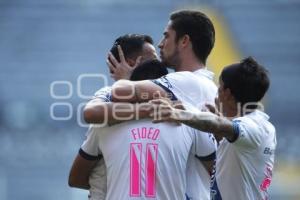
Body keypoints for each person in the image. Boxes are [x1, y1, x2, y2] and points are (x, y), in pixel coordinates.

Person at [84, 10, 217, 200]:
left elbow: (117, 94)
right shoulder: (211, 87)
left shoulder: (185, 82)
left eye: (166, 36)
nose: (161, 44)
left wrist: (126, 79)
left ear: (184, 41)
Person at [150, 57, 277, 200]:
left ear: (227, 93)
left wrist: (177, 114)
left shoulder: (252, 128)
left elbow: (218, 125)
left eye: (219, 86)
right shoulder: (262, 126)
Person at [68, 34, 162, 200]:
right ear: (132, 64)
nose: (159, 64)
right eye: (153, 58)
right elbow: (75, 178)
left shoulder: (166, 101)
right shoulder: (107, 103)